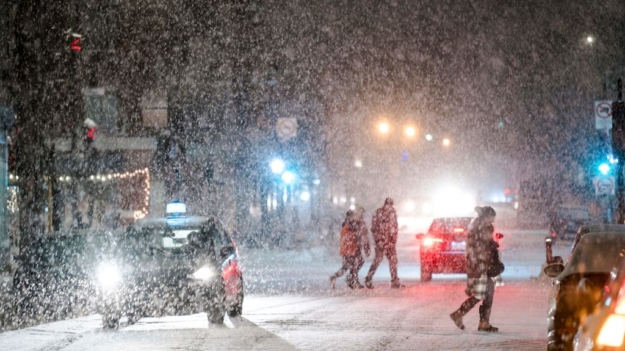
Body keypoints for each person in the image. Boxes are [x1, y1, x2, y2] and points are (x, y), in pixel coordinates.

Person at [449, 206, 500, 332]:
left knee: (488, 290)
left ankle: (483, 321)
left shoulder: (481, 226)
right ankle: (460, 315)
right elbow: (477, 247)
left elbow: (483, 245)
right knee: (481, 293)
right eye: (491, 218)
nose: (492, 221)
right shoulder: (479, 227)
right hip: (479, 265)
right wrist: (490, 248)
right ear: (486, 216)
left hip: (482, 264)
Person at [364, 198, 404, 289]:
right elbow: (374, 228)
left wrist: (393, 241)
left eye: (390, 205)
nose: (389, 207)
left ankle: (394, 280)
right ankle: (368, 279)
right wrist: (379, 240)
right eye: (388, 205)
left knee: (393, 261)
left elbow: (395, 228)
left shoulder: (393, 214)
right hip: (381, 243)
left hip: (390, 243)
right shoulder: (379, 213)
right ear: (385, 205)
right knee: (377, 260)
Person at [329, 211, 364, 289]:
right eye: (353, 215)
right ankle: (351, 281)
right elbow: (351, 236)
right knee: (352, 266)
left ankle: (336, 277)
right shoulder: (350, 224)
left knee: (347, 267)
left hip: (347, 249)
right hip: (349, 249)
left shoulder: (348, 224)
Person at [353, 206, 371, 283]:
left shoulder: (360, 221)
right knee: (357, 262)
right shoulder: (355, 222)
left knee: (358, 262)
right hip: (354, 245)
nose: (362, 214)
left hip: (357, 245)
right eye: (361, 212)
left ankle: (353, 278)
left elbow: (365, 235)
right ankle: (353, 278)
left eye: (362, 212)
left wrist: (366, 246)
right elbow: (362, 234)